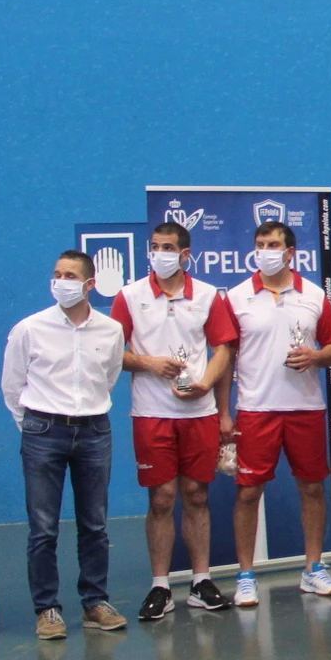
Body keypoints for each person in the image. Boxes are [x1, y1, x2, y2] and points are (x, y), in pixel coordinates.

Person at [113, 222, 238, 620]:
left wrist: (207, 388)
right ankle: (160, 586)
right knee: (162, 498)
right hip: (151, 414)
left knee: (197, 495)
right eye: (155, 247)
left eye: (168, 247)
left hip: (198, 414)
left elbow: (223, 350)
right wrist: (148, 362)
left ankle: (201, 581)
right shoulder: (129, 296)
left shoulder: (206, 296)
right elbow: (111, 351)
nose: (160, 253)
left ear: (186, 255)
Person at [3, 251, 127, 639]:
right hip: (43, 432)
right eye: (56, 274)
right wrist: (34, 426)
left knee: (95, 524)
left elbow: (109, 378)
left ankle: (95, 603)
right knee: (43, 528)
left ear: (90, 284)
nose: (61, 281)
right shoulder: (29, 328)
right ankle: (47, 609)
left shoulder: (110, 330)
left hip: (94, 431)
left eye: (70, 275)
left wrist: (83, 414)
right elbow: (13, 385)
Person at [222, 221, 331, 606]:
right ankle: (245, 576)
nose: (265, 250)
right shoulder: (237, 297)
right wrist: (223, 412)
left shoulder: (315, 295)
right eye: (260, 244)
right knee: (247, 493)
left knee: (312, 489)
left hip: (306, 408)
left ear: (291, 252)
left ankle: (313, 569)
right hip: (256, 409)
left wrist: (316, 355)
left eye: (273, 244)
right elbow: (225, 359)